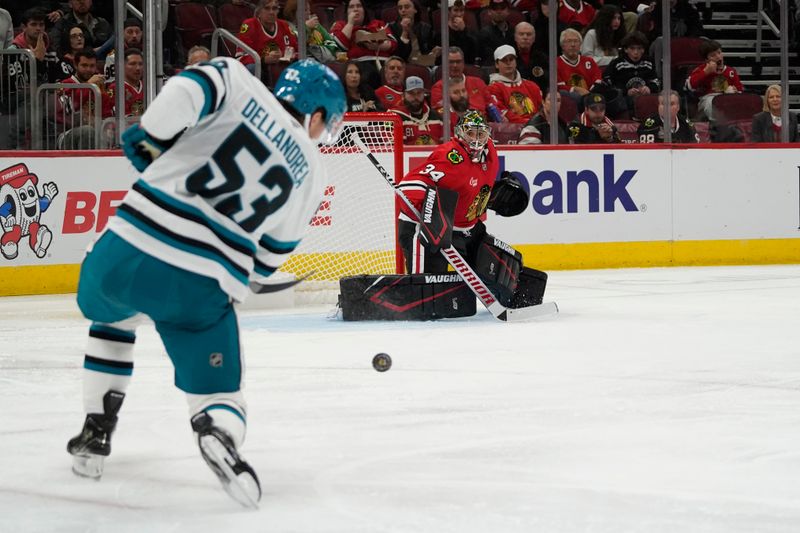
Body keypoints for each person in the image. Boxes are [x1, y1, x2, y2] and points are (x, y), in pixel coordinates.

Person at [66, 57, 346, 509]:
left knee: (112, 321)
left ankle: (95, 434)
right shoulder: (312, 171)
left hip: (122, 252)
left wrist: (150, 134)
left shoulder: (237, 79)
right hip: (199, 284)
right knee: (220, 391)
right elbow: (270, 258)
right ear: (315, 115)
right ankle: (217, 430)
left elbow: (186, 89)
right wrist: (239, 277)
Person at [396, 109, 545, 308]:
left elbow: (472, 184)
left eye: (481, 133)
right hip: (427, 230)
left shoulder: (490, 151)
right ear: (459, 133)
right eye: (470, 133)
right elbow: (407, 186)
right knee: (428, 296)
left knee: (501, 270)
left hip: (468, 228)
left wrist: (487, 199)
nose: (476, 139)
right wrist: (430, 205)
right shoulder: (449, 157)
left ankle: (516, 300)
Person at [602, 31, 660, 117]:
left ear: (643, 49)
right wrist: (626, 91)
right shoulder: (617, 63)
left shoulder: (649, 62)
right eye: (632, 48)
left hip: (645, 98)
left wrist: (649, 88)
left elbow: (656, 80)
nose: (636, 52)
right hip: (624, 100)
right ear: (626, 49)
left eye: (639, 48)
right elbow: (609, 84)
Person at [685, 40, 742, 121]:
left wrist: (736, 91)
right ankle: (718, 124)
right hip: (707, 99)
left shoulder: (731, 71)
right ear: (706, 60)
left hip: (727, 98)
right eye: (713, 55)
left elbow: (740, 90)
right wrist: (706, 72)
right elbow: (690, 86)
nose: (718, 57)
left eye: (719, 53)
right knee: (710, 102)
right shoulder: (701, 70)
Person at [487, 44, 543, 124]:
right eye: (504, 60)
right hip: (512, 131)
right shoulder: (493, 88)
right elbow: (503, 115)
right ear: (497, 64)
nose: (508, 63)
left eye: (511, 59)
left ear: (515, 62)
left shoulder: (532, 86)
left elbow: (542, 110)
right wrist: (529, 123)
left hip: (536, 127)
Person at [237, 0, 299, 72]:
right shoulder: (249, 25)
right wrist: (263, 59)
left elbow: (298, 51)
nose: (271, 12)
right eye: (267, 8)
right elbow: (241, 56)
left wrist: (291, 56)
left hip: (283, 68)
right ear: (259, 12)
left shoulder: (284, 26)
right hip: (259, 68)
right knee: (252, 68)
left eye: (274, 8)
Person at [430, 47, 491, 118]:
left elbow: (491, 104)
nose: (455, 65)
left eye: (458, 62)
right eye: (451, 62)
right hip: (457, 124)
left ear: (463, 63)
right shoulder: (438, 87)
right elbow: (439, 111)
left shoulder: (478, 82)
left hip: (484, 123)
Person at [49, 0, 113, 59]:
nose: (82, 1)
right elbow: (55, 47)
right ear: (70, 4)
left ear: (91, 2)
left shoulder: (103, 23)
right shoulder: (62, 24)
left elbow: (113, 47)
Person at [556, 28, 603, 109]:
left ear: (580, 45)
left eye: (576, 41)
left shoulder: (589, 61)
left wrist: (589, 94)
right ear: (562, 45)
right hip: (570, 101)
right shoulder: (555, 63)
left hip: (591, 97)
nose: (573, 44)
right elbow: (560, 87)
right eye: (569, 41)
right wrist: (576, 89)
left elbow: (597, 81)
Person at [391, 75, 443, 144]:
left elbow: (448, 144)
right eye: (411, 93)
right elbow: (393, 148)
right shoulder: (394, 117)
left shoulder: (436, 116)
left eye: (419, 93)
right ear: (403, 95)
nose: (415, 97)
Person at [390, 0, 438, 66]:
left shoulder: (425, 28)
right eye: (400, 8)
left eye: (406, 7)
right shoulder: (392, 27)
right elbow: (399, 55)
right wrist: (404, 32)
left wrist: (435, 52)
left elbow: (428, 50)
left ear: (415, 10)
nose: (403, 10)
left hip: (423, 64)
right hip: (401, 65)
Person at [432, 0, 478, 64]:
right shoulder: (441, 33)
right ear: (448, 11)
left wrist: (463, 31)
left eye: (461, 10)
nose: (459, 14)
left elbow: (471, 55)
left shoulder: (470, 32)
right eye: (455, 10)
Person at [105, 48, 145, 118]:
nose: (138, 68)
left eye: (140, 64)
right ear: (122, 66)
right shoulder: (115, 88)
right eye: (132, 64)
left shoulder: (148, 86)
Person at [102, 17, 143, 82]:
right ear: (122, 33)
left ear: (141, 33)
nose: (134, 35)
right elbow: (111, 83)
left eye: (137, 32)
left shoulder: (149, 55)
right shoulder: (113, 57)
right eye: (130, 32)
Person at [478, 0, 516, 65]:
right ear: (489, 12)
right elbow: (488, 58)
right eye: (495, 8)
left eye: (502, 8)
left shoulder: (514, 31)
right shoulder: (484, 33)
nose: (499, 11)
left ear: (508, 11)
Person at [513, 22, 548, 93]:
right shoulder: (509, 57)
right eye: (521, 34)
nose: (525, 37)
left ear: (534, 38)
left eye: (528, 34)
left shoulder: (542, 57)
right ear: (515, 37)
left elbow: (547, 79)